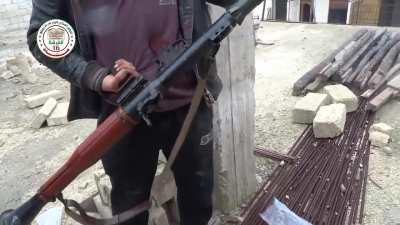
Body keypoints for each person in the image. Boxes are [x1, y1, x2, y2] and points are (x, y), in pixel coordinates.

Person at [27, 1, 234, 225]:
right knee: (130, 211)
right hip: (122, 113)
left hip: (190, 101)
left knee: (199, 200)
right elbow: (43, 35)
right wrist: (97, 77)